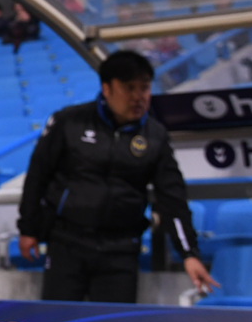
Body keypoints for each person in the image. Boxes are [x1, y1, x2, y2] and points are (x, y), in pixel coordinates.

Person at [17, 50, 217, 303]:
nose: (138, 97)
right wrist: (28, 228)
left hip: (121, 251)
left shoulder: (155, 136)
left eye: (144, 88)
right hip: (67, 244)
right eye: (129, 88)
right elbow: (38, 176)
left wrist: (189, 253)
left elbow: (172, 198)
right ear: (107, 88)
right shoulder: (69, 122)